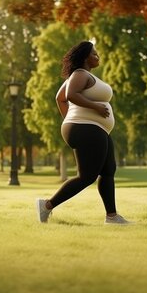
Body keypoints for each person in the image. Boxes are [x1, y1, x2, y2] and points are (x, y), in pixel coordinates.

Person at [36, 41, 131, 225]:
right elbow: (69, 95)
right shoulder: (80, 74)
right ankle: (46, 205)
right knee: (87, 176)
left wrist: (70, 117)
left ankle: (112, 216)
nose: (98, 56)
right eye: (94, 54)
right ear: (85, 56)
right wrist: (92, 108)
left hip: (95, 128)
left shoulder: (81, 76)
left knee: (108, 170)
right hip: (86, 128)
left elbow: (60, 98)